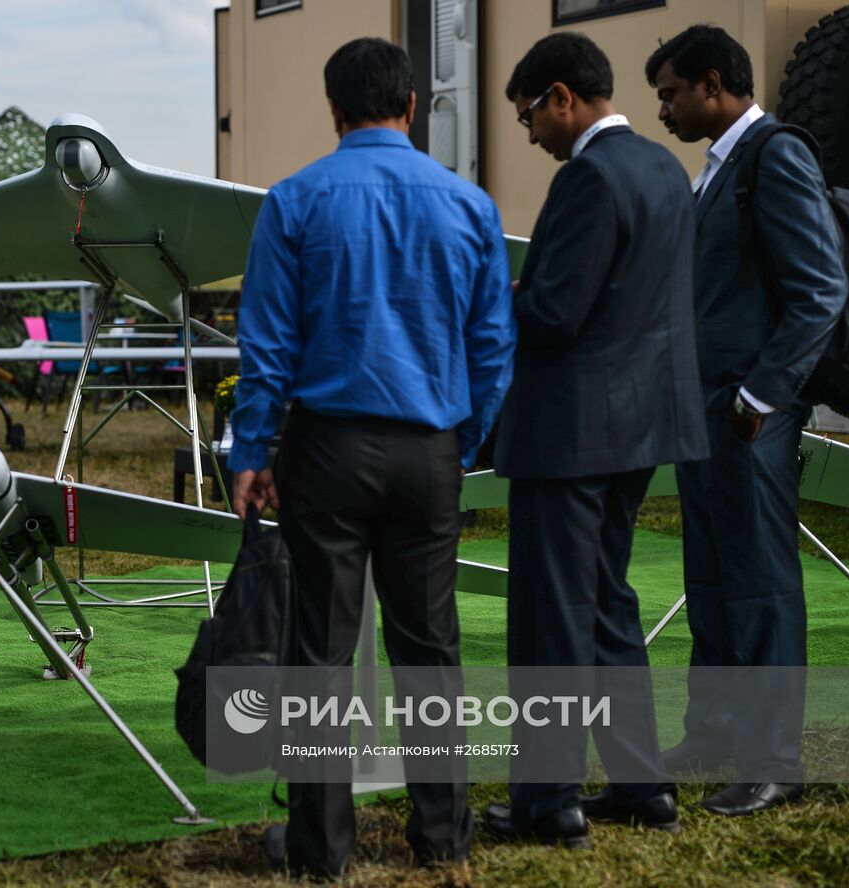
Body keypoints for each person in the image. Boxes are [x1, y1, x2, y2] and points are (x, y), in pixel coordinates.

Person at [230, 37, 515, 878]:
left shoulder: (294, 200)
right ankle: (444, 836)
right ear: (413, 106)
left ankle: (322, 849)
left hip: (326, 446)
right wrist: (461, 439)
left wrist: (253, 448)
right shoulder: (469, 204)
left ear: (334, 110)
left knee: (318, 650)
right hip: (429, 446)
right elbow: (494, 345)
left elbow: (268, 347)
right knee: (430, 648)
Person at [481, 33, 708, 849]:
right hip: (646, 424)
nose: (530, 132)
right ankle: (642, 784)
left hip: (572, 430)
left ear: (562, 98)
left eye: (529, 114)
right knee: (608, 603)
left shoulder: (587, 179)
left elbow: (554, 314)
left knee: (553, 615)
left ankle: (549, 804)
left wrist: (493, 299)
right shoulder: (666, 171)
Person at [646, 25, 848, 815]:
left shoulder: (775, 156)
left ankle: (773, 761)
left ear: (714, 84)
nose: (662, 109)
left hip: (750, 417)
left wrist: (760, 397)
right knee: (712, 577)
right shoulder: (719, 168)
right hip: (707, 413)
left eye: (670, 93)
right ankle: (716, 732)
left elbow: (820, 290)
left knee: (760, 585)